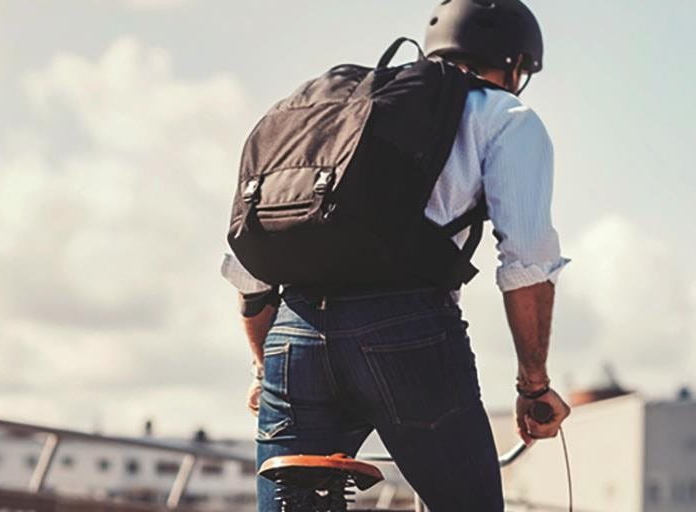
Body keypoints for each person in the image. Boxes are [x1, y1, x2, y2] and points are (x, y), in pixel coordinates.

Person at [223, 0, 569, 509]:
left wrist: (264, 370)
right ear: (514, 65)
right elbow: (528, 263)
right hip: (407, 332)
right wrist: (533, 386)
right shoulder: (505, 116)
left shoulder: (330, 112)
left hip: (293, 336)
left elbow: (250, 272)